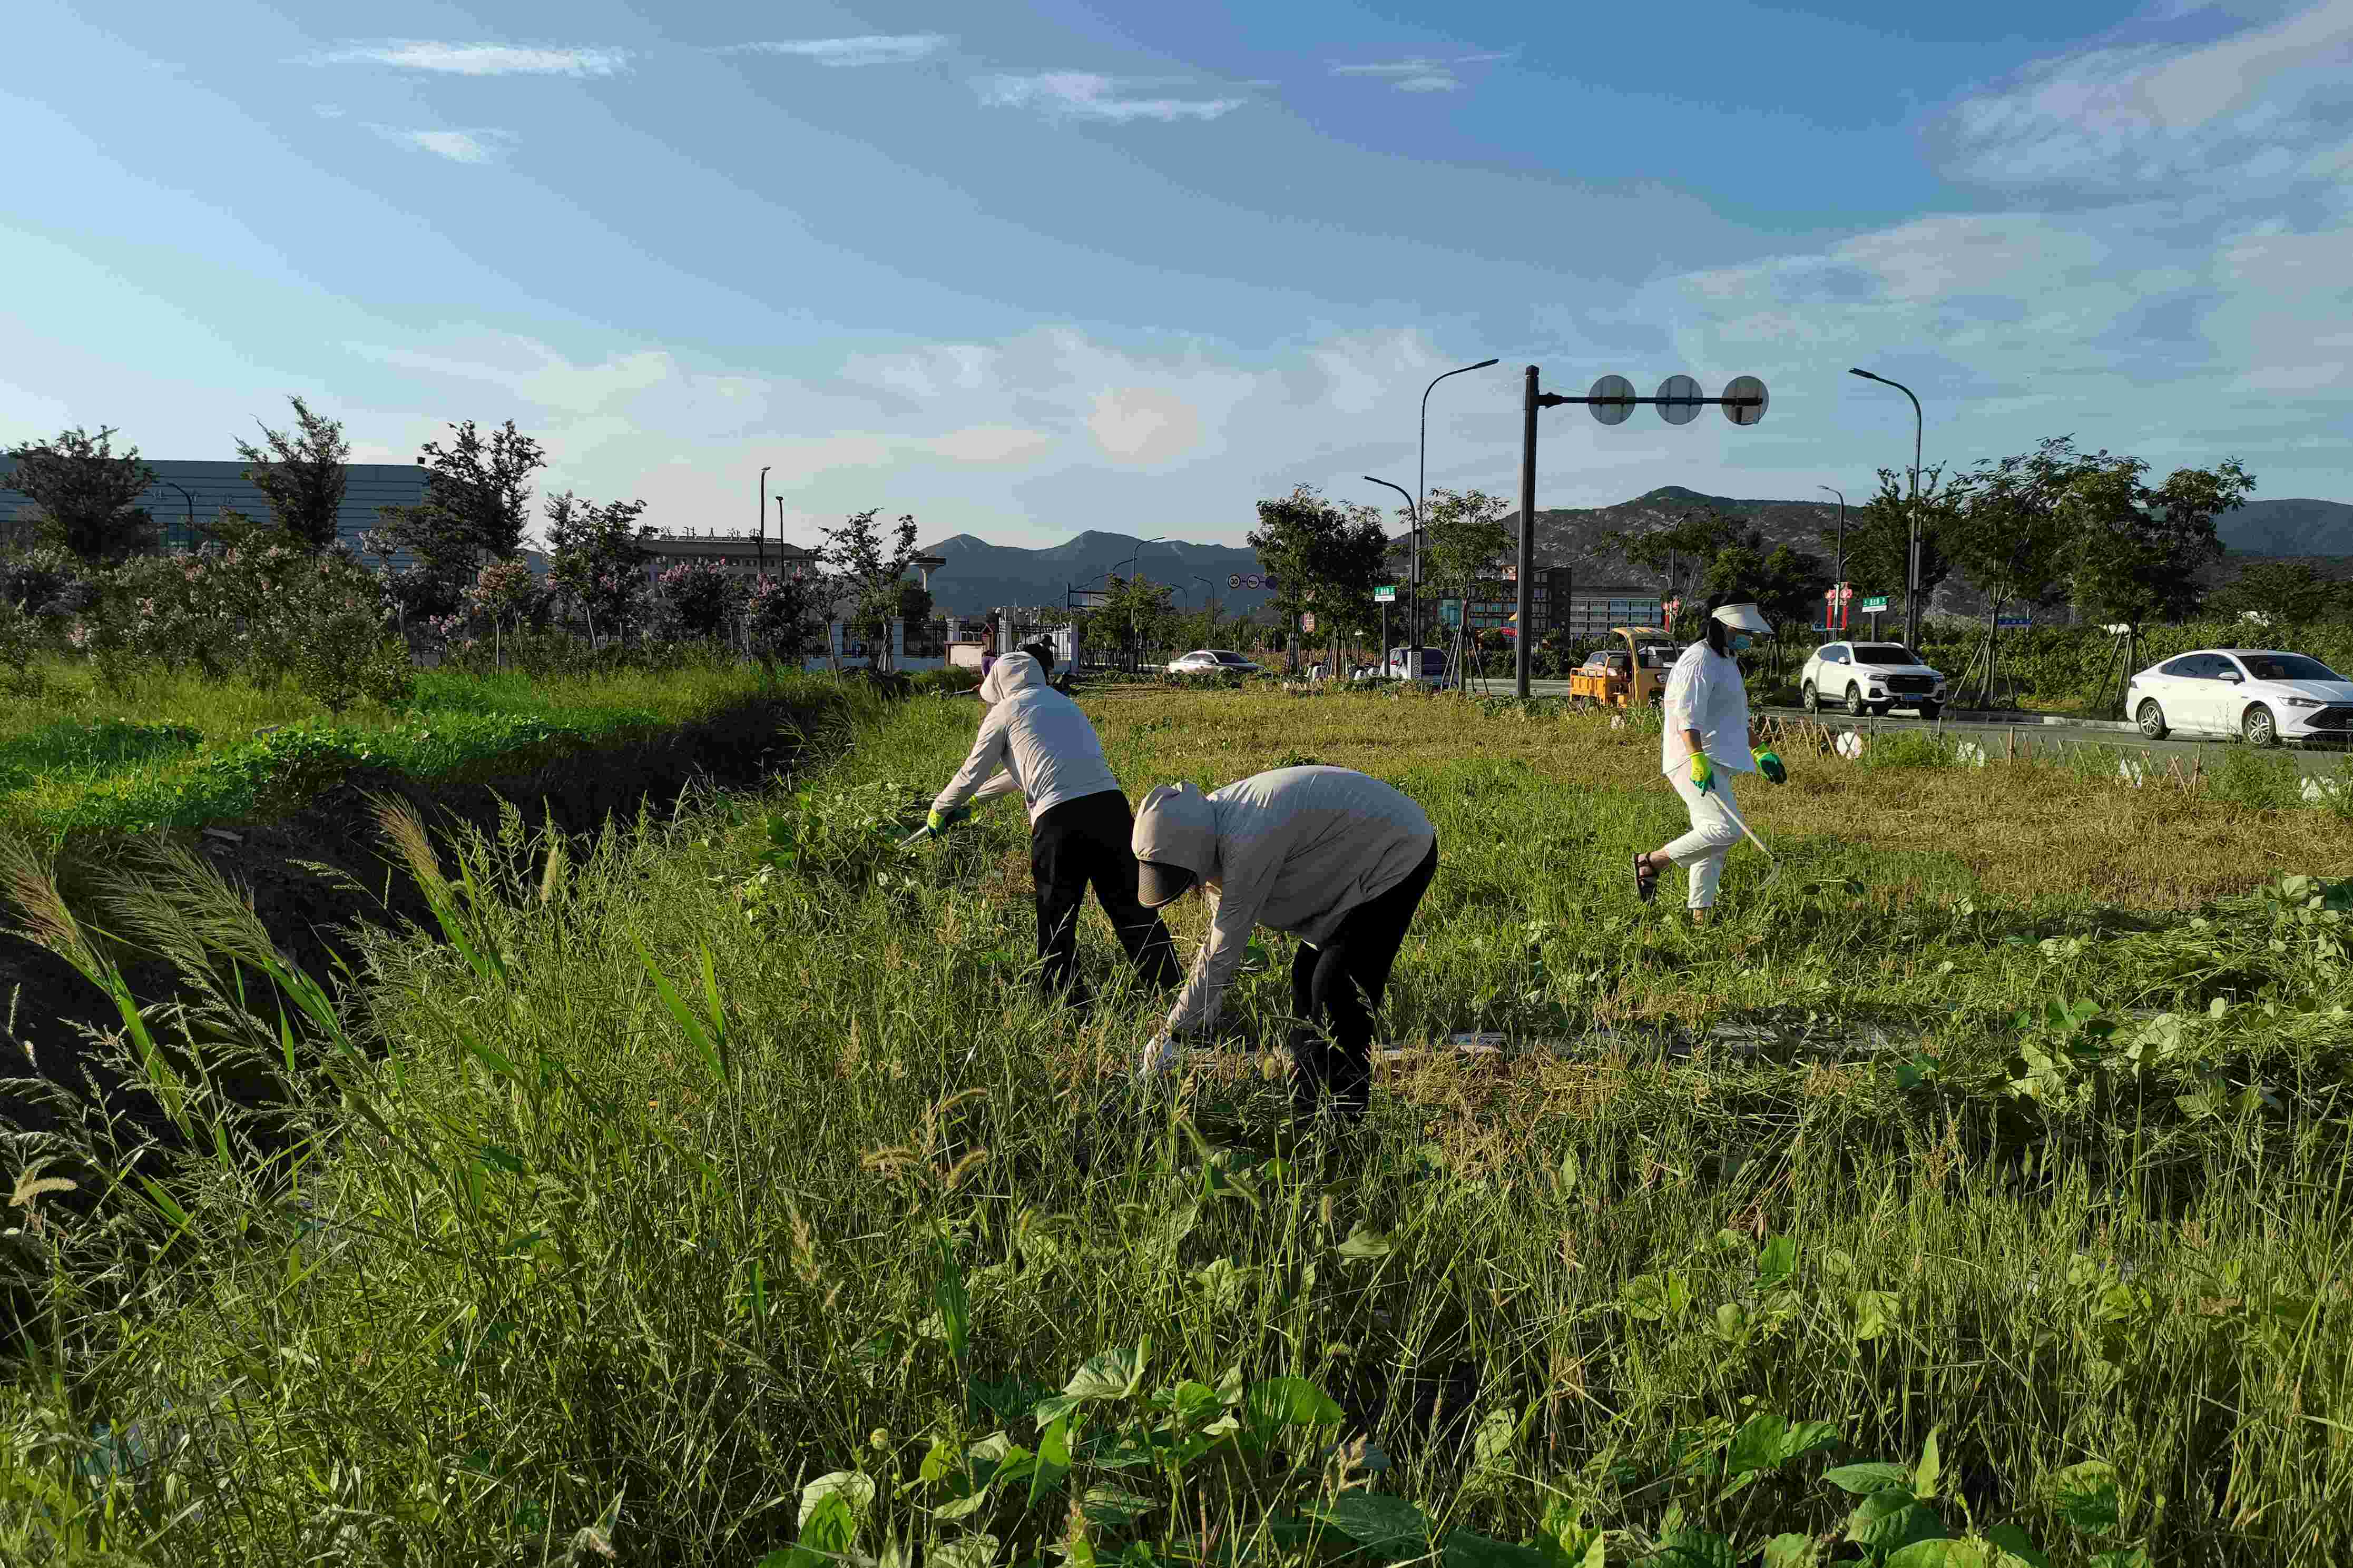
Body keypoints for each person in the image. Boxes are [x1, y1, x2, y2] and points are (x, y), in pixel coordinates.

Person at [1131, 765, 1437, 1122]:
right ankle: (1309, 1109)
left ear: (1191, 849)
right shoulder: (1211, 830)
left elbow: (1224, 948)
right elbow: (1220, 943)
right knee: (1305, 977)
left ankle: (1344, 1123)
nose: (1185, 890)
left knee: (1336, 987)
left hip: (1396, 855)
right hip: (1349, 867)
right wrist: (1206, 1004)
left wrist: (1174, 1032)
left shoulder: (1247, 837)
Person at [929, 651, 1181, 1000]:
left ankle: (1062, 1000)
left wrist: (939, 808)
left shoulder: (1005, 711)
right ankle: (1172, 988)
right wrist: (973, 803)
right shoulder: (1064, 705)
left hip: (1059, 822)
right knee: (1131, 904)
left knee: (1056, 915)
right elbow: (1025, 771)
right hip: (1111, 810)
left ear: (1000, 684)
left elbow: (973, 772)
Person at [1632, 594, 1786, 923]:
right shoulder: (1699, 660)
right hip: (1694, 759)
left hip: (1717, 758)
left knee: (1712, 843)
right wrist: (1697, 758)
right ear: (1723, 625)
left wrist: (1760, 751)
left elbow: (1737, 718)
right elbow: (1686, 716)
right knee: (1725, 830)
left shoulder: (1726, 660)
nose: (1749, 638)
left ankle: (1701, 916)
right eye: (1743, 631)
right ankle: (1652, 862)